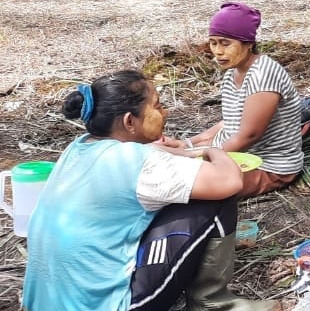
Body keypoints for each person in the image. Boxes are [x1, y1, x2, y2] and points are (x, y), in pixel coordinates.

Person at [23, 70, 278, 311]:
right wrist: (215, 152)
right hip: (108, 305)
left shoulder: (79, 147)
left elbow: (151, 153)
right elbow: (228, 181)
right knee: (215, 199)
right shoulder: (136, 163)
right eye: (156, 105)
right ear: (129, 121)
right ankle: (213, 303)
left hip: (47, 303)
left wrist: (187, 150)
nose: (164, 112)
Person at [179, 3, 304, 198]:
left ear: (248, 43)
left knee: (185, 185)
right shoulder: (232, 73)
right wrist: (187, 144)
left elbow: (248, 136)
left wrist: (203, 158)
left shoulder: (263, 74)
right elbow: (228, 124)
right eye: (213, 43)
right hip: (232, 153)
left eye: (225, 43)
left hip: (266, 165)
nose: (218, 51)